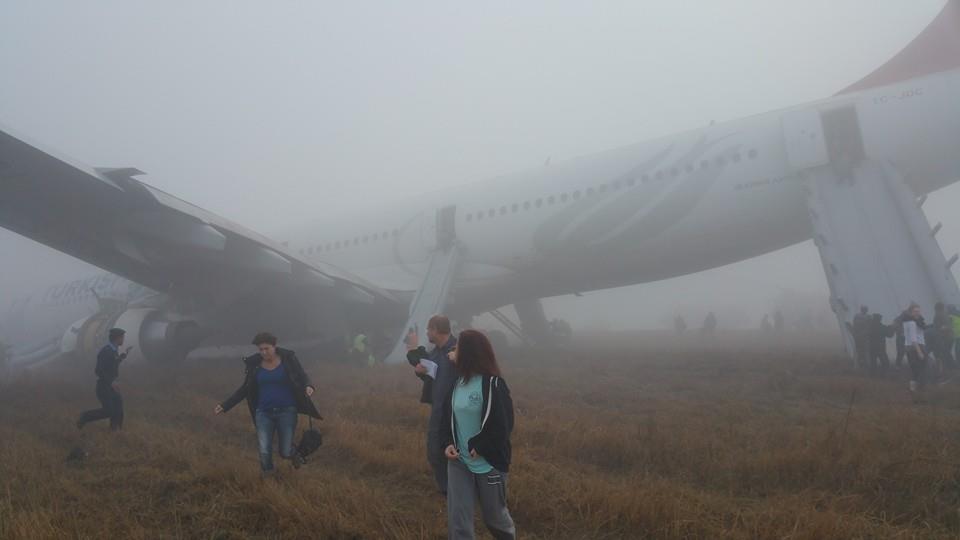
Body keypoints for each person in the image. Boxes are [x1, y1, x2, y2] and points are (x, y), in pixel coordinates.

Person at [440, 329, 515, 540]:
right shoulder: (457, 383)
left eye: (458, 347)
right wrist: (448, 443)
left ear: (468, 352)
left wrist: (480, 446)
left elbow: (504, 426)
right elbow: (447, 420)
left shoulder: (493, 385)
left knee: (495, 519)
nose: (453, 350)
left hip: (488, 463)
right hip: (459, 462)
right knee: (459, 522)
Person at [215, 332, 321, 474]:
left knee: (285, 451)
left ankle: (296, 454)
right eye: (261, 349)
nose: (264, 352)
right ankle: (268, 476)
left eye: (267, 348)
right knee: (264, 449)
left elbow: (302, 375)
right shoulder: (255, 366)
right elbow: (245, 389)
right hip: (263, 413)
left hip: (287, 411)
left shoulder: (288, 359)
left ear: (274, 346)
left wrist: (308, 386)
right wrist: (225, 405)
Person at [408, 315, 458, 494]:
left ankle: (457, 492)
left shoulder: (458, 350)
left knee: (452, 454)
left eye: (429, 329)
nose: (427, 333)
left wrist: (460, 358)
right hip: (437, 411)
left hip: (455, 413)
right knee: (434, 453)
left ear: (436, 329)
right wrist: (422, 372)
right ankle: (448, 492)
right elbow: (437, 377)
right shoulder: (436, 352)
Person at [77, 328, 132, 431]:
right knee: (109, 411)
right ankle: (85, 416)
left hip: (110, 386)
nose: (123, 340)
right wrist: (111, 382)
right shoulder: (106, 351)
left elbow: (113, 363)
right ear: (117, 338)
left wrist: (124, 355)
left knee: (118, 409)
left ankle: (115, 431)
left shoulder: (113, 350)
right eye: (122, 337)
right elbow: (98, 370)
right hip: (104, 386)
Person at [902, 303, 928, 400]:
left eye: (918, 311)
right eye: (915, 311)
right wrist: (919, 352)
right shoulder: (912, 323)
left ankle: (913, 390)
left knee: (915, 370)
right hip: (916, 347)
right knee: (919, 369)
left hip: (911, 347)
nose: (917, 313)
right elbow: (913, 339)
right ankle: (917, 390)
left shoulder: (909, 321)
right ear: (910, 312)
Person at [932, 302, 954, 370]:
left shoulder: (938, 315)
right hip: (950, 336)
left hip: (944, 337)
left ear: (936, 309)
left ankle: (951, 367)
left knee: (945, 352)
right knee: (947, 352)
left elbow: (939, 327)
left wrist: (941, 328)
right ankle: (951, 367)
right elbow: (949, 324)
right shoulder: (946, 314)